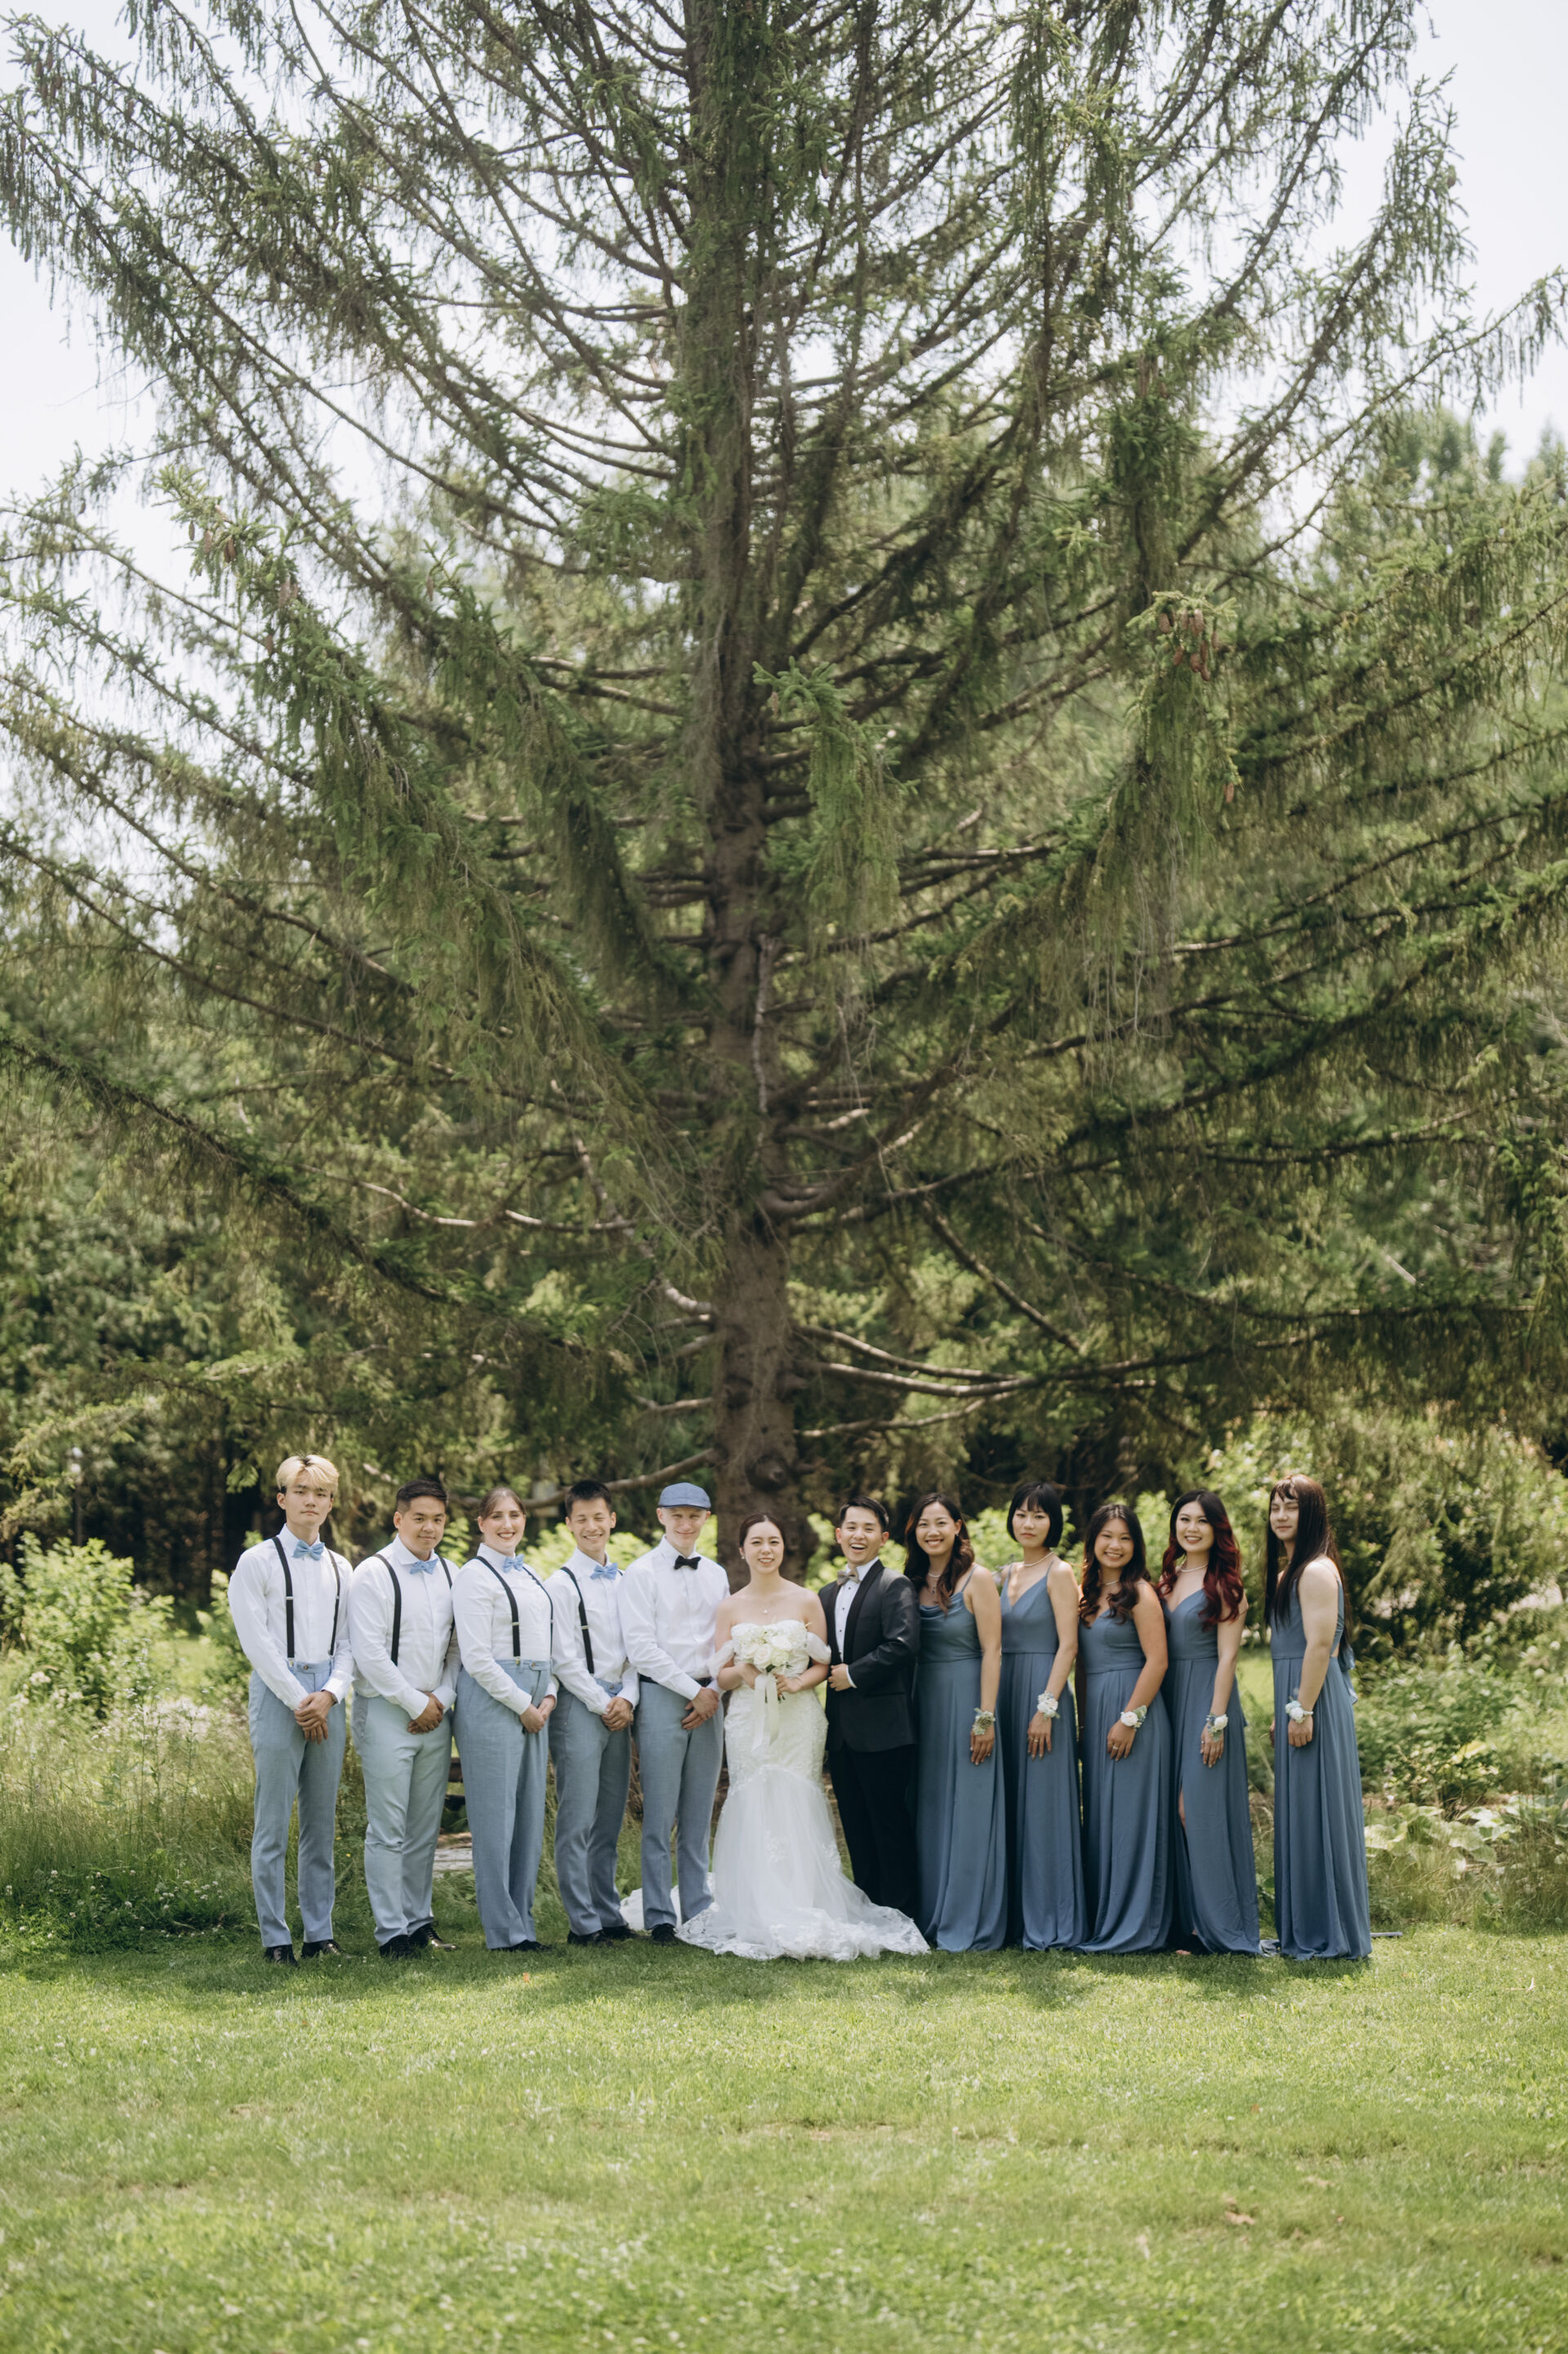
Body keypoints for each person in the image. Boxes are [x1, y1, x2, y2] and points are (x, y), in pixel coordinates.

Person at [679, 1512, 927, 1959]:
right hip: (749, 1719)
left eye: (773, 1541)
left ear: (784, 1547)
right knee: (753, 1797)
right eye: (757, 1542)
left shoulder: (809, 1599)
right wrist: (749, 1672)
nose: (766, 1550)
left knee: (799, 1796)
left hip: (798, 1718)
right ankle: (756, 1903)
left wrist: (796, 1682)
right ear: (742, 1550)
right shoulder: (730, 1606)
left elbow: (823, 1662)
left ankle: (807, 1898)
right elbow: (721, 1672)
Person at [227, 1452, 354, 1964]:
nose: (311, 1501)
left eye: (321, 1493)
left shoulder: (342, 1568)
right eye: (301, 1491)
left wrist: (331, 1693)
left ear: (330, 1503)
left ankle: (319, 1935)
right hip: (280, 1692)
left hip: (328, 1697)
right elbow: (255, 1642)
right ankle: (275, 1939)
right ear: (282, 1499)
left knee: (321, 1824)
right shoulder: (256, 1562)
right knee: (273, 1823)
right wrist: (300, 1699)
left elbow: (349, 1643)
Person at [349, 1474, 461, 1959]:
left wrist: (442, 1699)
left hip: (437, 1714)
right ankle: (391, 1932)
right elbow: (369, 1653)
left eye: (438, 1519)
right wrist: (417, 1704)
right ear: (399, 1519)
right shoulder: (371, 1574)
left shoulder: (453, 1574)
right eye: (419, 1518)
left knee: (423, 1829)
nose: (429, 1528)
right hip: (386, 1712)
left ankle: (419, 1923)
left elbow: (458, 1649)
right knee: (388, 1829)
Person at [1266, 1474, 1372, 1961]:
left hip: (1313, 1701)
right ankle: (1306, 1924)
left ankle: (1329, 1928)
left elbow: (1320, 1645)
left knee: (1320, 1809)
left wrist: (1302, 1709)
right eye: (1275, 1508)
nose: (1281, 1516)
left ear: (1312, 1514)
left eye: (1291, 1507)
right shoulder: (1289, 1572)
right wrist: (1287, 1710)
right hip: (1297, 1697)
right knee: (1302, 1812)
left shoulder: (1315, 1571)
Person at [619, 1480, 729, 1942]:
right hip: (664, 1696)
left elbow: (726, 1641)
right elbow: (641, 1648)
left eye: (695, 1516)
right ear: (661, 1516)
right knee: (660, 1813)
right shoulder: (640, 1573)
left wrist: (714, 1691)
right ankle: (660, 1915)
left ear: (706, 1519)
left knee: (699, 1813)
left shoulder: (717, 1574)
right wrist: (692, 1691)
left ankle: (698, 1909)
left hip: (711, 1699)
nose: (686, 1524)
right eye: (677, 1515)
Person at [452, 1484, 556, 1952]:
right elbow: (476, 1657)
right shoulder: (473, 1577)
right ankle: (503, 1932)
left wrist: (549, 1695)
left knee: (529, 1818)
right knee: (496, 1820)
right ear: (481, 1523)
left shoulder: (531, 1574)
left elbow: (547, 1645)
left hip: (536, 1699)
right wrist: (523, 1705)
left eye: (514, 1515)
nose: (507, 1524)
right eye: (497, 1516)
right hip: (495, 1700)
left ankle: (524, 1925)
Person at [1158, 1490, 1260, 1955]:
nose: (1191, 1528)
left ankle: (1217, 1927)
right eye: (1184, 1519)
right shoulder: (1165, 1580)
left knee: (1195, 1810)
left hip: (1207, 1699)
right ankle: (1182, 1922)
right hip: (1167, 1700)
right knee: (1169, 1811)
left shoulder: (1227, 1586)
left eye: (1202, 1521)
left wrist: (1216, 1720)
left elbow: (1229, 1658)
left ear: (1217, 1529)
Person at [906, 1491, 1008, 1951]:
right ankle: (927, 1910)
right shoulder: (908, 1582)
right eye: (923, 1524)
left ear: (957, 1527)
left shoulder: (978, 1579)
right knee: (928, 1804)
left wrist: (985, 1717)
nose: (932, 1531)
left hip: (968, 1698)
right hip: (922, 1702)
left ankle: (968, 1915)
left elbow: (993, 1650)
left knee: (969, 1805)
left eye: (940, 1523)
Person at [1076, 1502, 1172, 1953]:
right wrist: (1083, 1725)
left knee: (1132, 1818)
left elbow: (1158, 1661)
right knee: (1103, 1817)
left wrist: (1129, 1719)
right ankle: (1104, 1915)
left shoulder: (1140, 1593)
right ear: (1093, 1541)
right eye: (1107, 1536)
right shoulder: (1086, 1593)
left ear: (1136, 1545)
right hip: (1097, 1714)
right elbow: (1080, 1666)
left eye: (1125, 1538)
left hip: (1134, 1715)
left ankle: (1136, 1923)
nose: (1115, 1546)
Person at [995, 1479, 1085, 1951]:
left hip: (1042, 1693)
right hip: (1005, 1690)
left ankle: (1051, 1915)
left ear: (1054, 1523)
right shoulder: (1005, 1573)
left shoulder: (1060, 1572)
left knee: (1043, 1805)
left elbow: (1069, 1645)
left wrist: (1046, 1708)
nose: (1028, 1523)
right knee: (1009, 1799)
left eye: (1039, 1515)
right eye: (1021, 1514)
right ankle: (1011, 1914)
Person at [548, 1479, 638, 1947]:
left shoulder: (627, 1582)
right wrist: (604, 1703)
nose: (591, 1526)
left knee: (609, 1818)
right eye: (581, 1519)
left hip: (621, 1706)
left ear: (612, 1520)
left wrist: (629, 1699)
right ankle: (582, 1923)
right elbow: (563, 1659)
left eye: (598, 1517)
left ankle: (609, 1913)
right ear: (569, 1524)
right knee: (578, 1818)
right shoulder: (559, 1585)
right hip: (581, 1708)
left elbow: (638, 1650)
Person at [822, 1492, 920, 1917]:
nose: (858, 1535)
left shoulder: (894, 1585)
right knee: (856, 1828)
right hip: (841, 1732)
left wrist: (854, 1674)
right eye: (851, 1528)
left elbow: (903, 1644)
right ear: (838, 1534)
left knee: (889, 1825)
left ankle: (902, 1914)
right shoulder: (826, 1593)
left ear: (883, 1537)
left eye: (868, 1528)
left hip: (884, 1729)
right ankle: (868, 1912)